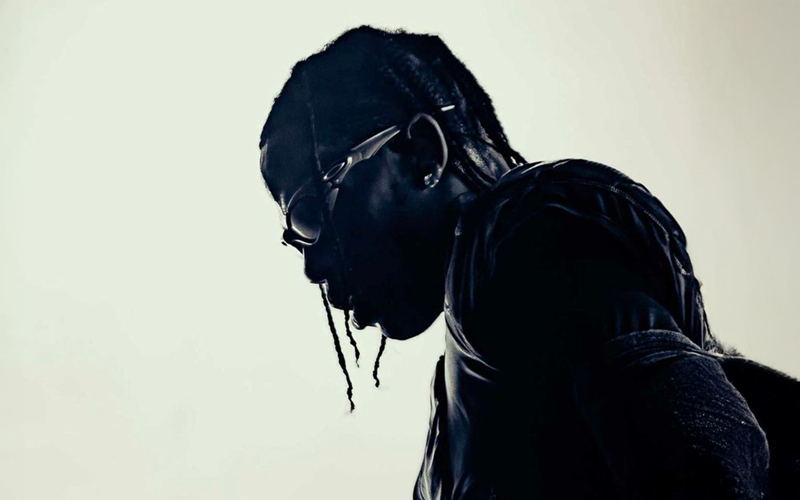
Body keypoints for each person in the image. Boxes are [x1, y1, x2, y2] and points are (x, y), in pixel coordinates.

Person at [258, 26, 800, 499]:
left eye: (310, 212)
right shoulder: (456, 399)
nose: (312, 265)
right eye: (296, 238)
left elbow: (702, 461)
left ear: (422, 152)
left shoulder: (525, 242)